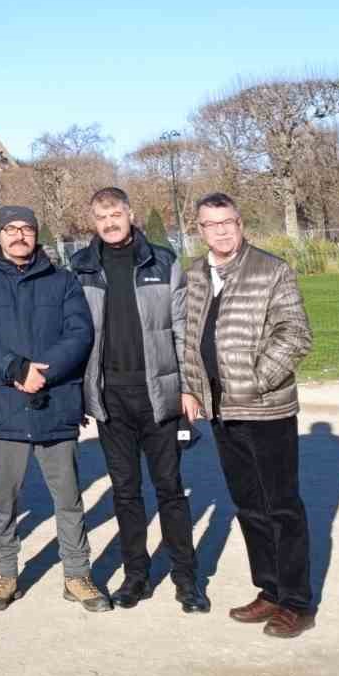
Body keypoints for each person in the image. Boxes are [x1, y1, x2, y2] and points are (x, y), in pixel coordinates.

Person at [0, 205, 108, 613]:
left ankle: (77, 574)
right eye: (11, 228)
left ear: (36, 234)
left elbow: (80, 333)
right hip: (5, 404)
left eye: (26, 228)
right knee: (3, 500)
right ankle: (4, 573)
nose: (19, 235)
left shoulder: (62, 280)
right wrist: (16, 369)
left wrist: (44, 371)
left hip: (54, 402)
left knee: (69, 499)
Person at [180, 192, 315, 639]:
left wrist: (256, 380)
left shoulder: (270, 270)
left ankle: (297, 601)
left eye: (228, 222)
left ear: (240, 223)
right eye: (211, 224)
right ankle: (270, 589)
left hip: (266, 408)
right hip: (222, 411)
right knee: (249, 505)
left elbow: (296, 334)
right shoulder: (195, 275)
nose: (220, 231)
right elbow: (188, 337)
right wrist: (191, 388)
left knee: (282, 506)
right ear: (200, 229)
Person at [70, 187, 208, 613]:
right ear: (93, 222)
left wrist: (189, 388)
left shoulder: (163, 262)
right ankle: (136, 575)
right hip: (111, 397)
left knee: (170, 490)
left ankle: (187, 578)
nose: (110, 223)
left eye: (116, 214)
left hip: (158, 394)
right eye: (101, 217)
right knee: (125, 493)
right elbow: (73, 335)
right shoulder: (80, 268)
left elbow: (183, 329)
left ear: (130, 214)